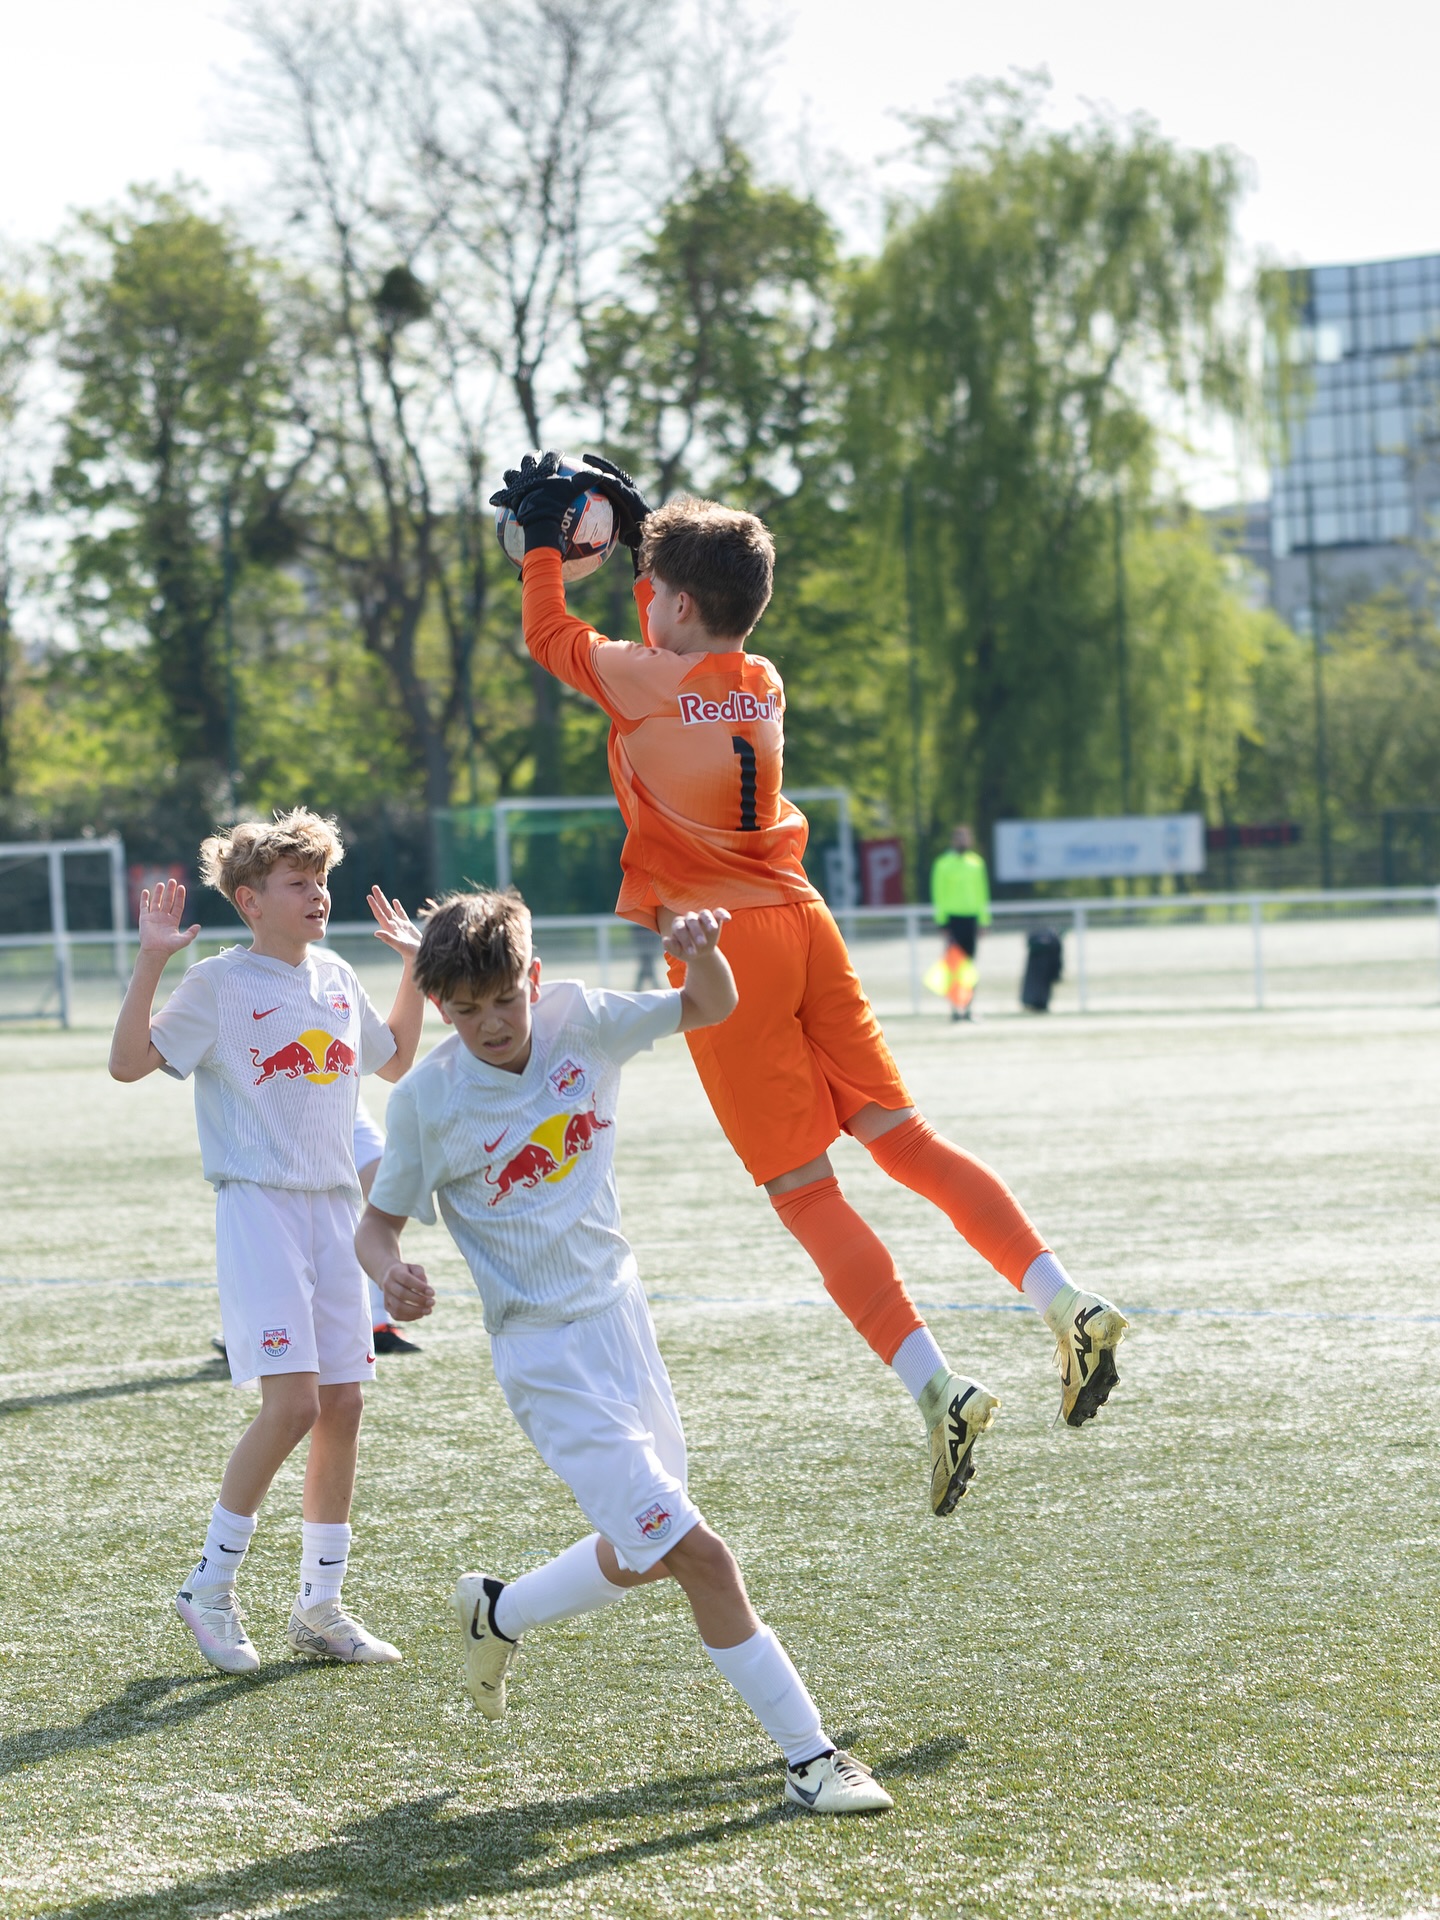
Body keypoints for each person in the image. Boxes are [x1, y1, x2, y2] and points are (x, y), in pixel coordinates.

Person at [489, 453, 1129, 1516]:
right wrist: (650, 541)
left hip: (717, 948)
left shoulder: (649, 679)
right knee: (905, 1140)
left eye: (657, 593)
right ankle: (1068, 1297)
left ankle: (940, 1387)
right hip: (804, 923)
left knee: (805, 1190)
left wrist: (550, 544)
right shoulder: (760, 678)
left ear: (678, 603)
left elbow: (551, 636)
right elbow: (680, 623)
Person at [355, 889, 891, 1816]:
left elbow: (708, 1005)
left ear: (532, 978)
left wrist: (700, 951)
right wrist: (390, 1273)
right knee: (700, 1556)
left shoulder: (583, 1020)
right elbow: (374, 1227)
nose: (489, 1025)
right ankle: (811, 1758)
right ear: (439, 1006)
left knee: (642, 1554)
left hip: (622, 1322)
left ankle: (499, 1611)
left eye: (503, 1001)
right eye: (464, 1010)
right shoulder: (429, 1103)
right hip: (545, 1358)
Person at [108, 808, 425, 1674]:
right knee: (290, 1405)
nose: (318, 895)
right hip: (258, 1211)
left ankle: (319, 1606)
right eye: (299, 883)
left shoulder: (331, 973)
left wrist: (412, 972)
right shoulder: (217, 984)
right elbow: (129, 1062)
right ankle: (208, 1586)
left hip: (334, 1216)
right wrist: (150, 961)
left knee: (345, 1405)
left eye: (322, 881)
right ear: (250, 901)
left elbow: (390, 1059)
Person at [211, 1100, 420, 1364]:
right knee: (272, 1215)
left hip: (338, 1102)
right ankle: (253, 1330)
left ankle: (378, 1320)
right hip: (268, 1113)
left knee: (389, 1191)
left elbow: (394, 1065)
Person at [930, 825, 991, 1021]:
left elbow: (982, 893)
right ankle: (955, 1010)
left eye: (966, 838)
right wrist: (942, 922)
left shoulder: (976, 863)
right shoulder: (943, 864)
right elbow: (938, 893)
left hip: (971, 919)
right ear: (953, 840)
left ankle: (969, 1008)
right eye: (959, 838)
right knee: (954, 966)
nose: (963, 841)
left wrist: (984, 920)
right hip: (952, 920)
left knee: (969, 968)